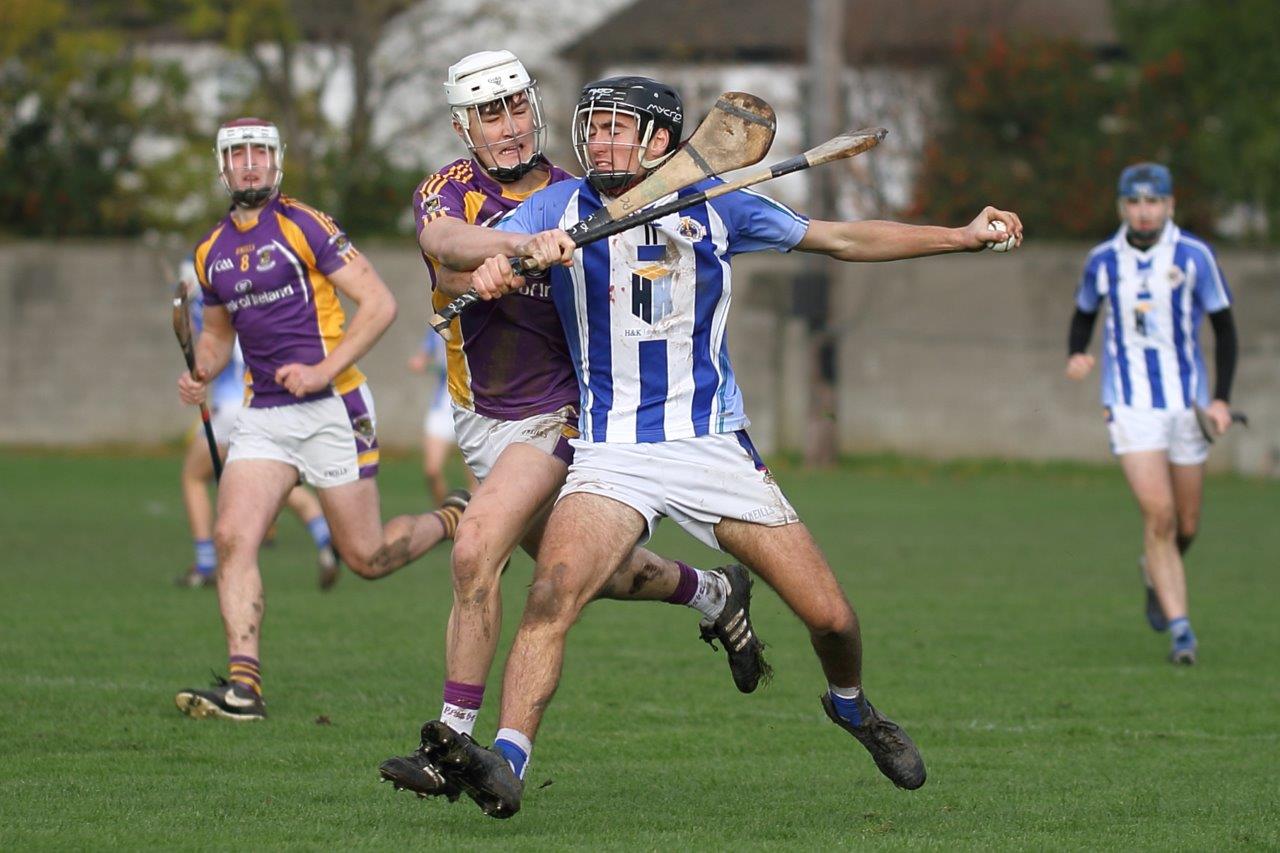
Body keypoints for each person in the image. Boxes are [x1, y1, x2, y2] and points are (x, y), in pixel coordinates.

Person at [419, 75, 1025, 818]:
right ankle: (507, 759)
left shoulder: (714, 204)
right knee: (551, 594)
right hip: (613, 451)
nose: (598, 141)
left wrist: (960, 235)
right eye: (594, 126)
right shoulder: (561, 207)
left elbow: (840, 238)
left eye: (616, 128)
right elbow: (447, 242)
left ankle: (850, 704)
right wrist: (507, 250)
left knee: (831, 619)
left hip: (711, 446)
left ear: (661, 142)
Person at [378, 54, 768, 797]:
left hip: (559, 409)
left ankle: (450, 746)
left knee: (474, 550)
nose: (509, 125)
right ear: (464, 125)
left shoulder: (579, 194)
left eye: (518, 107)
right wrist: (506, 253)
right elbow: (445, 247)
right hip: (480, 414)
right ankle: (713, 594)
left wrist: (550, 254)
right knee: (593, 573)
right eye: (491, 114)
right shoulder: (447, 190)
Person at [173, 118, 468, 721]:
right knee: (233, 537)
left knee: (366, 558)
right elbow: (217, 340)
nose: (249, 164)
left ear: (276, 162)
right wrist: (198, 372)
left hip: (334, 409)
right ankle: (243, 688)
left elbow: (380, 304)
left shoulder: (304, 225)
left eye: (259, 153)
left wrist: (321, 370)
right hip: (263, 417)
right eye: (238, 155)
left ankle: (454, 516)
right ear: (223, 167)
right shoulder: (211, 254)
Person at [1066, 162, 1237, 666]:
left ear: (1169, 205)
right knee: (1158, 514)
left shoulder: (1194, 256)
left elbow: (1226, 331)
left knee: (1186, 523)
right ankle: (1182, 631)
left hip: (1188, 404)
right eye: (1135, 203)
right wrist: (1077, 352)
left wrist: (1221, 399)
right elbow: (1083, 313)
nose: (1144, 212)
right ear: (1123, 207)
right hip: (1129, 404)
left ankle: (1153, 571)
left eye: (1153, 202)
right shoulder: (1102, 260)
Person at [174, 260, 342, 592]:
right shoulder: (258, 300)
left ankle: (205, 563)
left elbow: (204, 342)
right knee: (278, 484)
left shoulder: (209, 308)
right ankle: (326, 538)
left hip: (230, 407)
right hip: (264, 405)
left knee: (193, 477)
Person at [406, 329, 475, 505]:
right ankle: (447, 515)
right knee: (432, 470)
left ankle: (471, 519)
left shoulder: (479, 316)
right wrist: (420, 361)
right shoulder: (439, 323)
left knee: (476, 476)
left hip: (473, 407)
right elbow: (424, 355)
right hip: (442, 407)